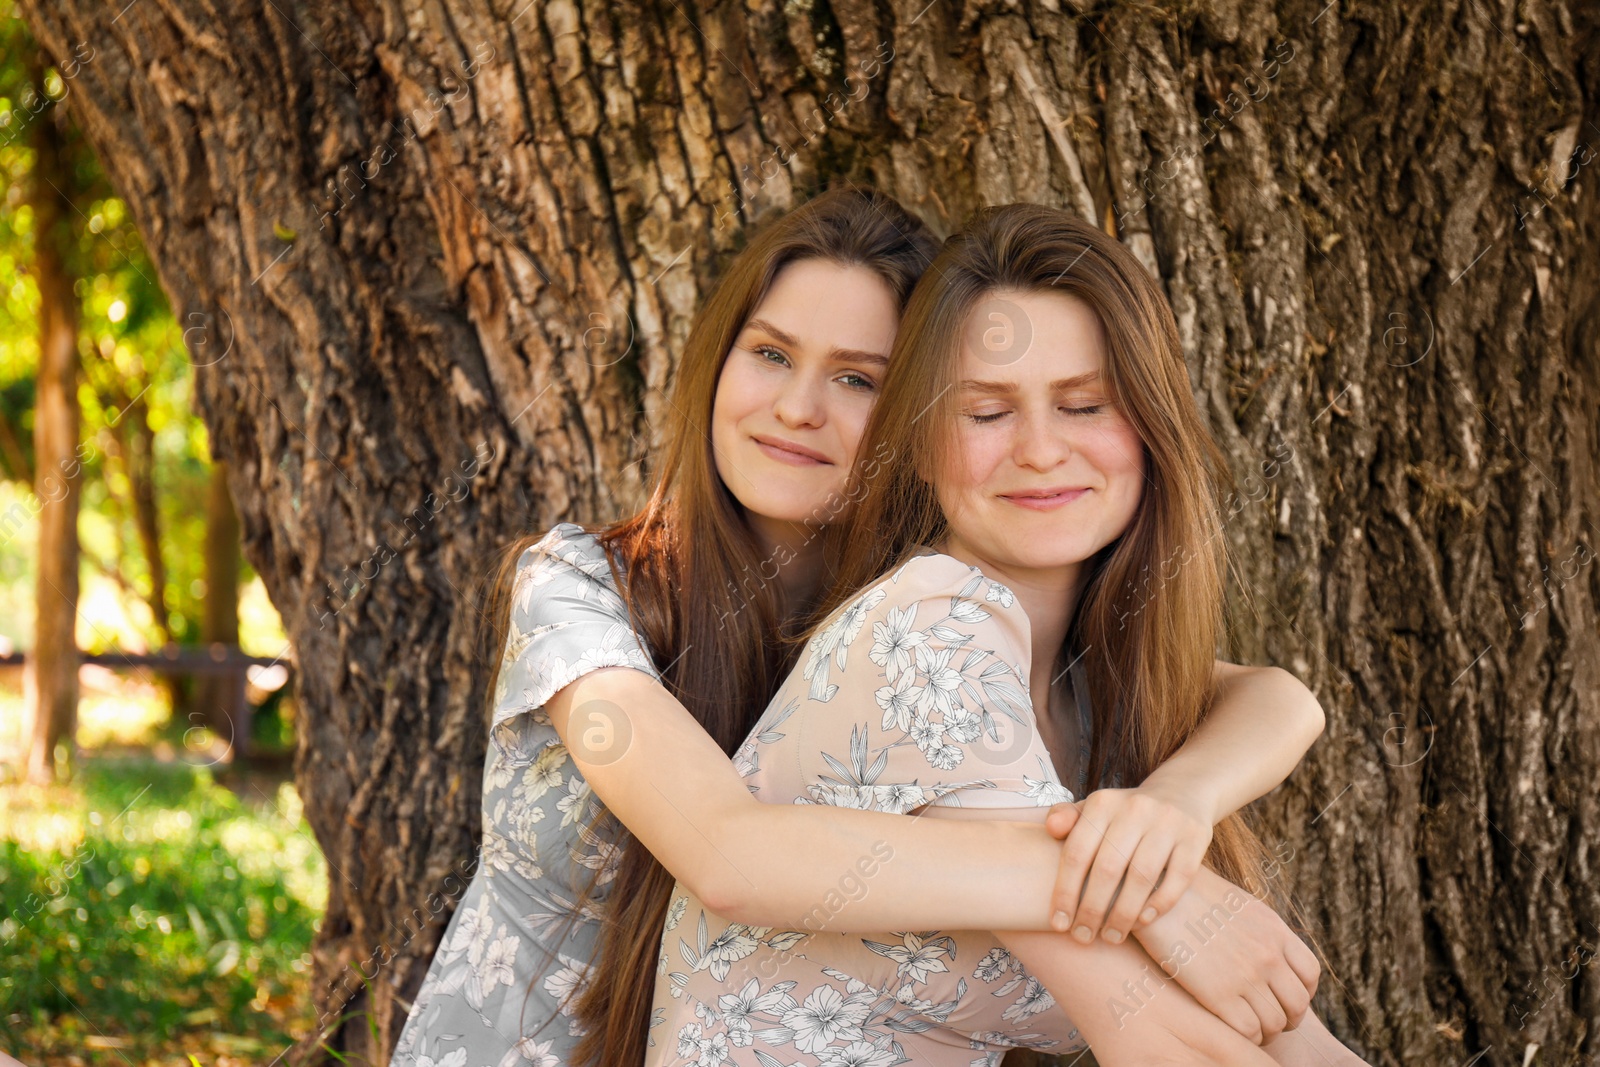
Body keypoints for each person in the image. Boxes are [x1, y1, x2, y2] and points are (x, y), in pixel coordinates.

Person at [390, 188, 1328, 1067]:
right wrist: (1136, 882)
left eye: (857, 377)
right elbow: (728, 851)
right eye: (769, 353)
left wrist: (1177, 805)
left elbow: (1263, 694)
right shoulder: (586, 589)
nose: (799, 406)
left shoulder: (919, 627)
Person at [644, 202, 1367, 1066]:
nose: (1040, 450)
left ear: (1152, 425)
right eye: (986, 412)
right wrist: (1165, 898)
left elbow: (1274, 697)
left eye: (1085, 405)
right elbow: (1169, 1040)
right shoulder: (929, 628)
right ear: (915, 443)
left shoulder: (1086, 670)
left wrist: (1180, 803)